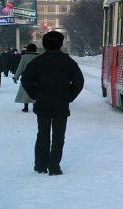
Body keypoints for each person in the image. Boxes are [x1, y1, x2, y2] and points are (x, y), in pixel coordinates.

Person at [22, 31, 84, 176]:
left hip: (42, 103)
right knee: (58, 137)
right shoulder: (68, 62)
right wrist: (69, 96)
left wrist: (34, 94)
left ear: (44, 44)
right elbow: (79, 81)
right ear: (61, 44)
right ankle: (54, 166)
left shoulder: (37, 61)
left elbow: (26, 80)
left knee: (42, 134)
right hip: (61, 104)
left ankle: (40, 165)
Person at [14, 43, 39, 112]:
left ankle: (26, 107)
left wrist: (16, 77)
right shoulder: (39, 56)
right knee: (36, 91)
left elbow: (20, 67)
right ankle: (35, 106)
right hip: (37, 77)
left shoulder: (24, 57)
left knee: (26, 92)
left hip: (26, 77)